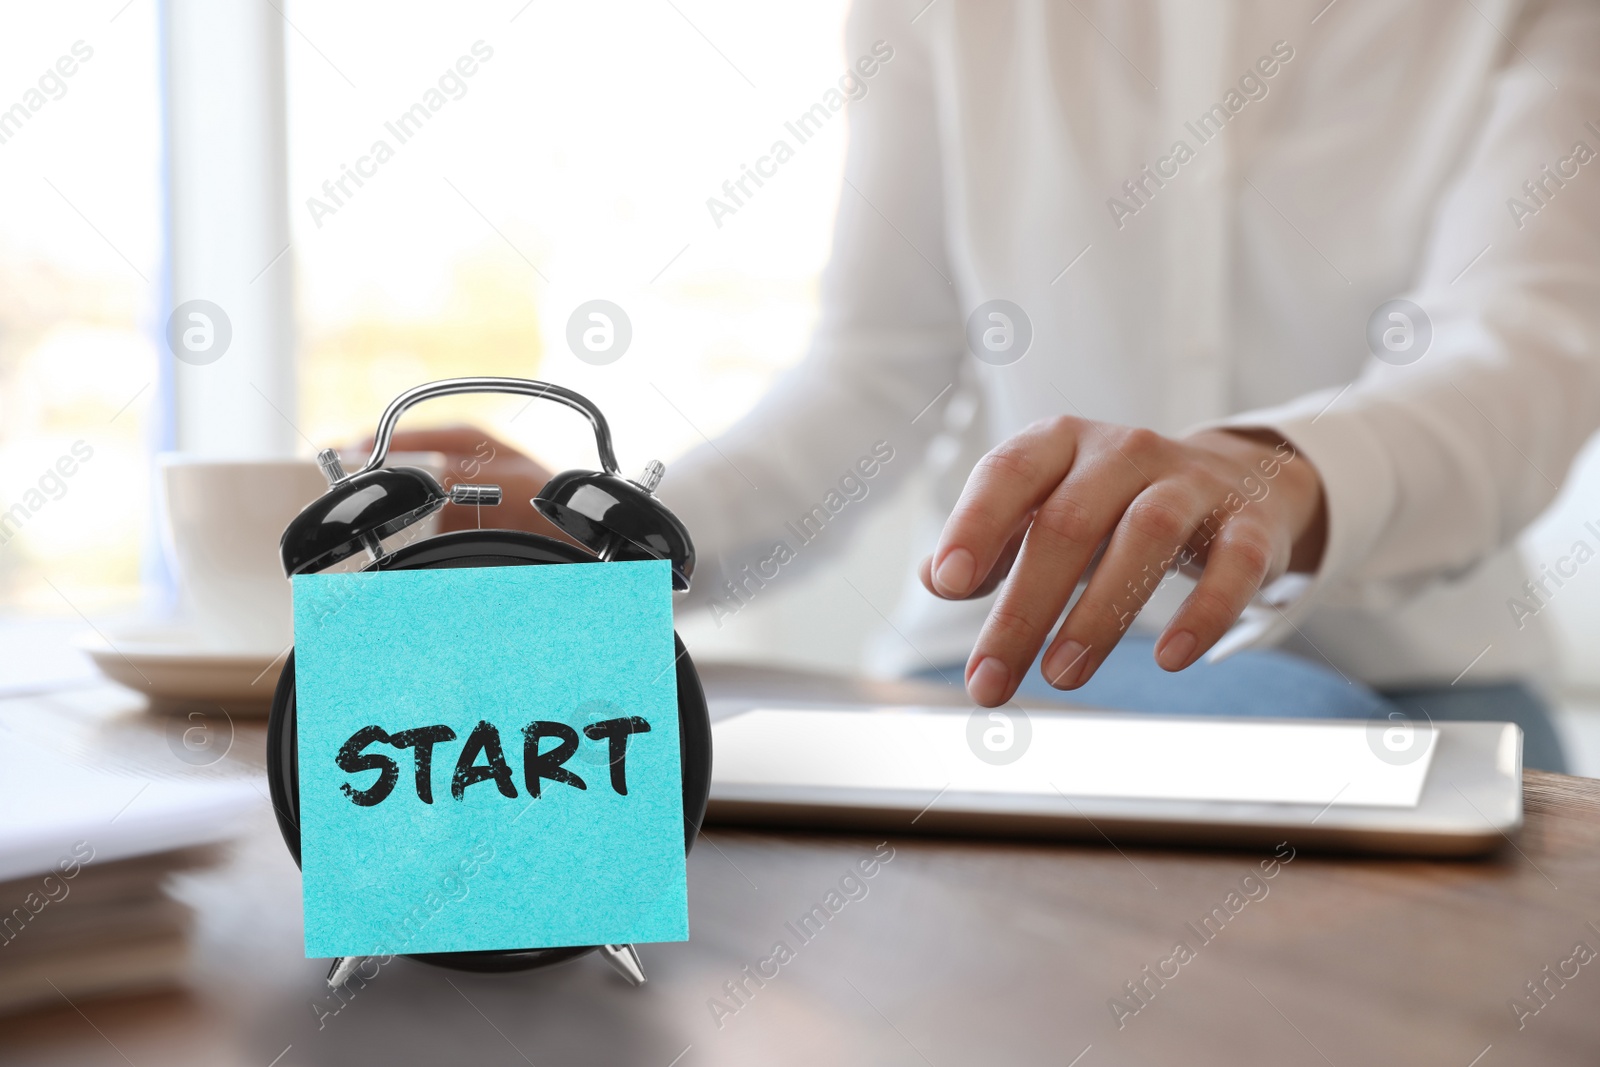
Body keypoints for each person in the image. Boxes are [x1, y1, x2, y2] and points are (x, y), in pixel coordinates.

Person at [390, 0, 1600, 771]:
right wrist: (596, 534)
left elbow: (1520, 356)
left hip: (1423, 680)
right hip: (994, 663)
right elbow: (872, 377)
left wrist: (1271, 472)